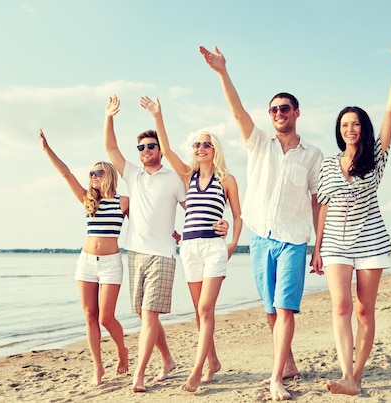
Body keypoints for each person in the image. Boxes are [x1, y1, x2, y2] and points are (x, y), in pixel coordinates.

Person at [200, 46, 324, 401]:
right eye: (273, 110)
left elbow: (317, 200)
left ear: (296, 113)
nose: (278, 114)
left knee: (285, 307)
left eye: (284, 108)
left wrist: (319, 245)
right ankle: (287, 364)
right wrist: (223, 72)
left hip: (294, 239)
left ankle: (275, 378)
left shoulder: (312, 154)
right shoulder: (258, 143)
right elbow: (237, 112)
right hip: (260, 237)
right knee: (270, 309)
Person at [310, 36, 391, 396]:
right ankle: (346, 375)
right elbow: (322, 204)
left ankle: (357, 373)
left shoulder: (376, 157)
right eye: (344, 125)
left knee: (363, 311)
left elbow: (390, 113)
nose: (350, 129)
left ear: (362, 128)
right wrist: (317, 247)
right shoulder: (327, 165)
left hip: (371, 240)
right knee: (340, 306)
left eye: (355, 124)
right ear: (339, 130)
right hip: (337, 242)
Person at [103, 95, 228, 393]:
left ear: (159, 149)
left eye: (150, 146)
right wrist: (108, 117)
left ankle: (139, 374)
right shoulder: (132, 174)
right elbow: (110, 148)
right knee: (143, 314)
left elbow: (196, 207)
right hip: (135, 253)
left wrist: (219, 226)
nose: (145, 151)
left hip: (163, 256)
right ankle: (171, 358)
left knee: (150, 316)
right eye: (141, 148)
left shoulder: (175, 178)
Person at [140, 95, 242, 393]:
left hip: (213, 249)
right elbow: (167, 149)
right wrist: (158, 116)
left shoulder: (227, 179)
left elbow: (237, 215)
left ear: (215, 150)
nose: (200, 148)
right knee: (199, 311)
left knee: (207, 308)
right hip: (189, 249)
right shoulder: (187, 175)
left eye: (206, 144)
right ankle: (213, 361)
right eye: (197, 144)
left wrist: (233, 242)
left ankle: (196, 371)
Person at [38, 128, 129, 387]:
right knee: (90, 315)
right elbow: (66, 173)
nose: (93, 177)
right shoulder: (89, 200)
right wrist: (47, 150)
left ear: (109, 175)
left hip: (111, 264)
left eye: (98, 172)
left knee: (106, 318)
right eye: (91, 173)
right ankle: (98, 367)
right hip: (86, 262)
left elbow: (147, 221)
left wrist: (174, 233)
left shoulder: (123, 202)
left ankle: (122, 350)